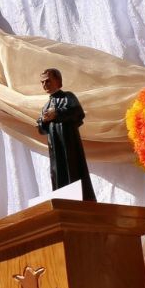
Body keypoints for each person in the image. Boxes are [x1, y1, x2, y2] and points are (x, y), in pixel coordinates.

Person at [36, 68, 96, 201]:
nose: (45, 85)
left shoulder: (68, 97)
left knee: (73, 169)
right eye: (42, 82)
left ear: (57, 81)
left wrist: (57, 114)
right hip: (55, 146)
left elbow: (78, 113)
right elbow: (41, 129)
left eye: (48, 81)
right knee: (58, 172)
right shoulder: (46, 106)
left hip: (69, 142)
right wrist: (43, 120)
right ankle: (62, 199)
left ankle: (81, 199)